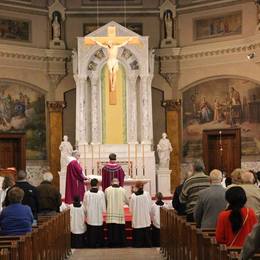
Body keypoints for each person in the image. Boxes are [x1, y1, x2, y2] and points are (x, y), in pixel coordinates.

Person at [105, 178, 129, 247]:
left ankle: (111, 243)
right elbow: (127, 201)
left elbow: (105, 201)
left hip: (110, 212)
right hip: (119, 212)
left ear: (111, 182)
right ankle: (121, 243)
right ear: (118, 182)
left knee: (111, 229)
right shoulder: (123, 190)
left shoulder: (107, 190)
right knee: (120, 229)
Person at [83, 178, 106, 248]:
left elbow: (84, 204)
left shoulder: (87, 193)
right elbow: (103, 205)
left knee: (91, 230)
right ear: (97, 184)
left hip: (91, 216)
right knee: (99, 229)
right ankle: (99, 243)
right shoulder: (101, 193)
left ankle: (91, 243)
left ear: (90, 185)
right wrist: (103, 210)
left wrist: (86, 213)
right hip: (98, 215)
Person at [130, 181, 152, 247]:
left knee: (137, 227)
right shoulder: (147, 194)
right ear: (143, 186)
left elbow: (131, 209)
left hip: (137, 218)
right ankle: (147, 243)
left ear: (136, 187)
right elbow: (150, 205)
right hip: (145, 217)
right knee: (145, 227)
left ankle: (137, 244)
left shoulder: (133, 196)